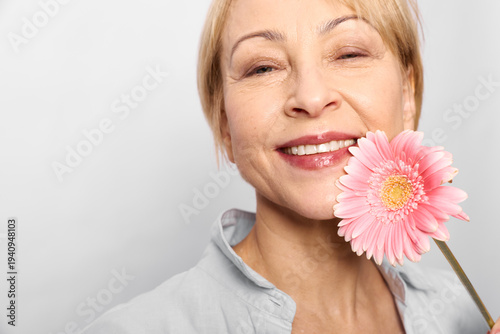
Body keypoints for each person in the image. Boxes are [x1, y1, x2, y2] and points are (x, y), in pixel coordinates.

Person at [82, 0, 500, 333]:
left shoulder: (462, 314)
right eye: (263, 67)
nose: (311, 97)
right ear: (225, 124)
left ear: (407, 96)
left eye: (349, 53)